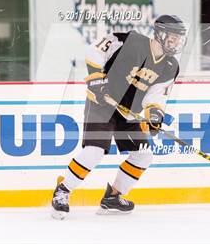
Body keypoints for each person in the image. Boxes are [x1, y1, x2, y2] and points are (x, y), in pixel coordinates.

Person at [51, 15, 187, 219]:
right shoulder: (131, 42)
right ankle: (62, 190)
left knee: (144, 153)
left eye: (179, 39)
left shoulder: (170, 66)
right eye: (173, 37)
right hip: (101, 104)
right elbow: (95, 50)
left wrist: (154, 114)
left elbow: (156, 95)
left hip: (127, 112)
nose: (176, 42)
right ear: (160, 33)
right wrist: (96, 78)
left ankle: (113, 197)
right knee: (95, 151)